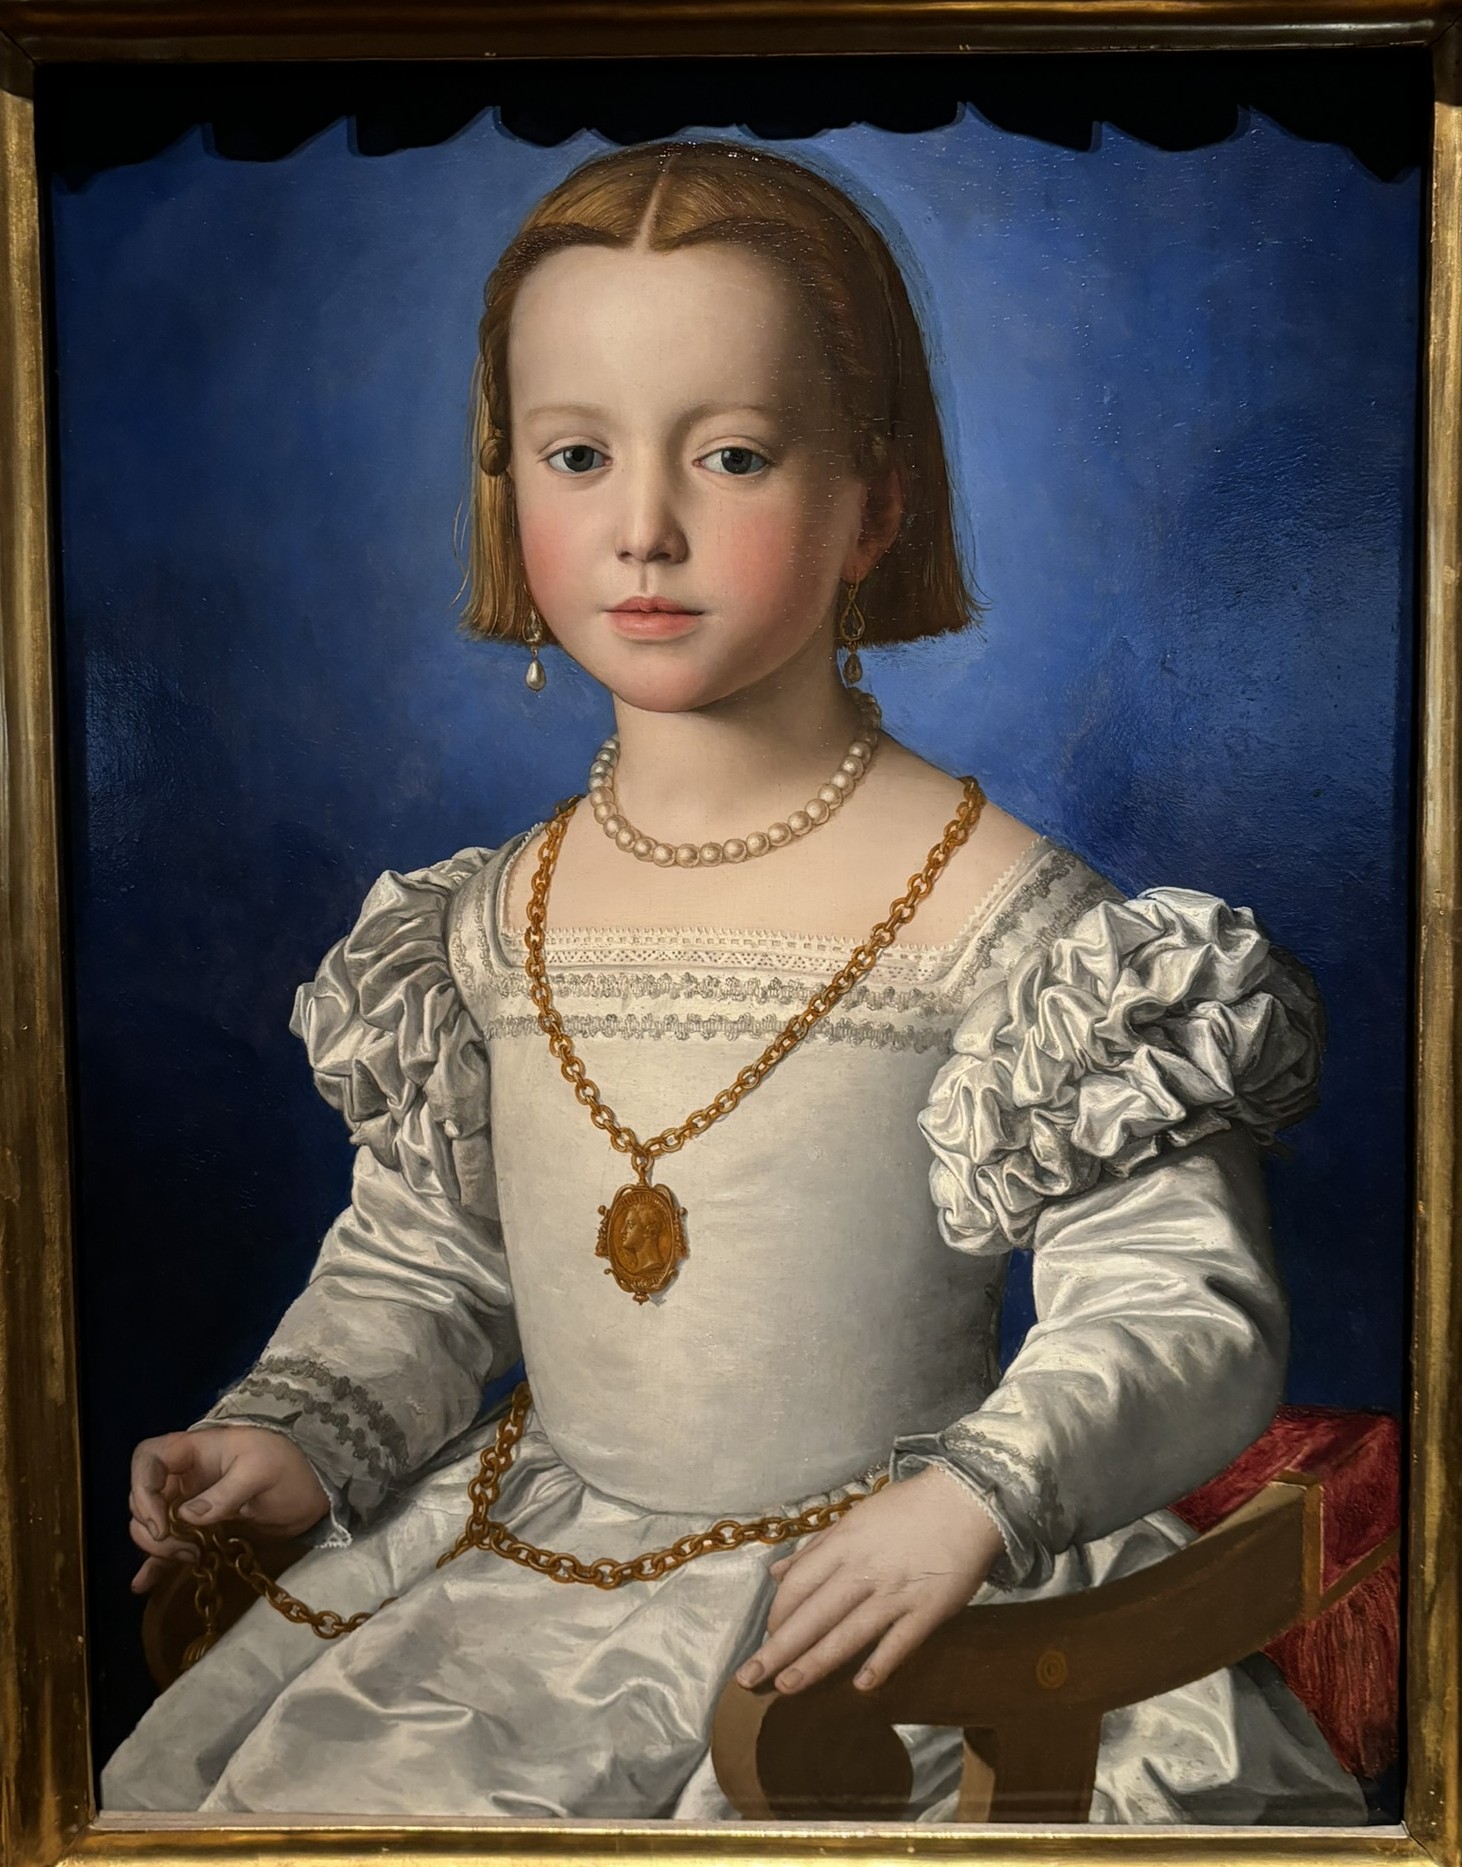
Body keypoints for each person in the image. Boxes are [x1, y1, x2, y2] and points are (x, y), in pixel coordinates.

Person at [103, 139, 1365, 1822]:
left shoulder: (1021, 930)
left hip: (890, 1606)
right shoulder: (486, 919)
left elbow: (1174, 1308)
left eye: (735, 457)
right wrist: (300, 1436)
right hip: (526, 1585)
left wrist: (978, 1496)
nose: (642, 530)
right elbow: (437, 1260)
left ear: (875, 503)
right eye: (576, 456)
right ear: (507, 487)